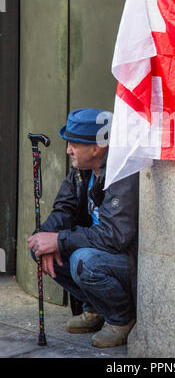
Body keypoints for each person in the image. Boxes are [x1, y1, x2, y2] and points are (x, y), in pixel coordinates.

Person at [27, 108, 139, 348]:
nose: (68, 150)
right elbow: (63, 210)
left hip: (124, 261)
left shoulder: (121, 173)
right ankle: (97, 307)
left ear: (96, 149)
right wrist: (45, 237)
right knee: (38, 245)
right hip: (99, 248)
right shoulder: (82, 170)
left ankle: (121, 319)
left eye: (73, 145)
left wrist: (59, 240)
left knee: (82, 260)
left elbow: (114, 237)